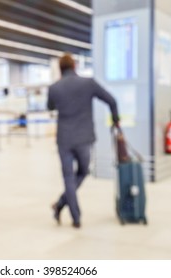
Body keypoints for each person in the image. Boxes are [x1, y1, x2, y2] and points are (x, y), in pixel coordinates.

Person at [47, 53, 120, 229]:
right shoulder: (88, 84)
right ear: (75, 66)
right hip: (84, 138)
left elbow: (50, 107)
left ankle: (67, 209)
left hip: (64, 138)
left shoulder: (54, 88)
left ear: (60, 69)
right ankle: (71, 213)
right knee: (83, 172)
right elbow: (111, 100)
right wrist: (116, 121)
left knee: (68, 177)